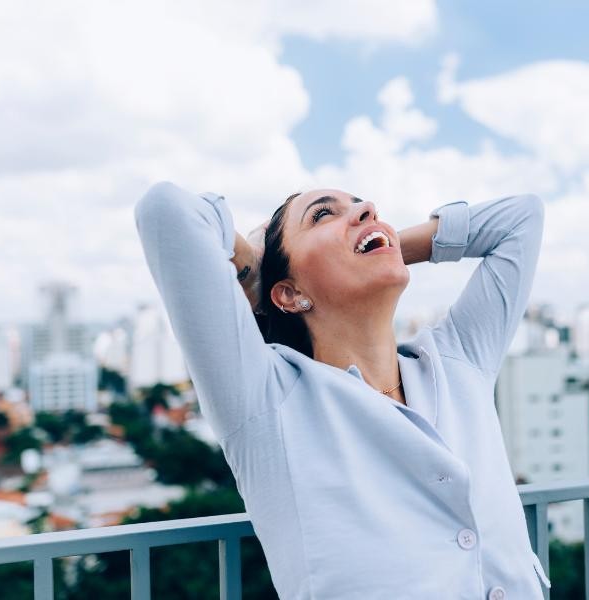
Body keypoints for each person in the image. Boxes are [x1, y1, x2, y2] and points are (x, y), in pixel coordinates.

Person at [134, 181, 549, 599]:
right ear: (290, 294)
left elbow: (522, 217)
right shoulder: (267, 400)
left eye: (363, 206)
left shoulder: (458, 360)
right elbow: (166, 211)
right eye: (322, 214)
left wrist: (380, 245)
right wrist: (255, 270)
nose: (368, 207)